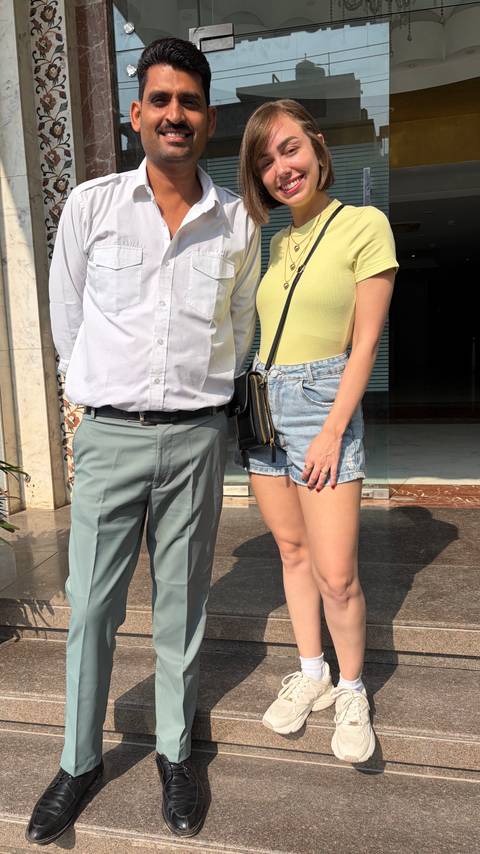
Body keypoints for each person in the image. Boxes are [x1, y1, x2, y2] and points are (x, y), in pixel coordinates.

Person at [26, 37, 260, 845]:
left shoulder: (235, 221)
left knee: (182, 607)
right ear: (136, 114)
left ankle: (172, 751)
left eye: (189, 102)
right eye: (160, 100)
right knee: (90, 606)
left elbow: (239, 329)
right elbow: (68, 320)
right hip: (110, 439)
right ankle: (79, 760)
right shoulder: (91, 206)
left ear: (208, 117)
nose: (174, 115)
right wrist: (93, 404)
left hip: (196, 440)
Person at [238, 99, 398, 763]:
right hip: (264, 405)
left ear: (317, 145)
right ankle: (312, 672)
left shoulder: (364, 224)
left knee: (337, 574)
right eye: (266, 161)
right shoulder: (275, 243)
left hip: (321, 405)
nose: (282, 168)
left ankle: (352, 689)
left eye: (289, 149)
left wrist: (335, 428)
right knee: (292, 552)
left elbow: (365, 344)